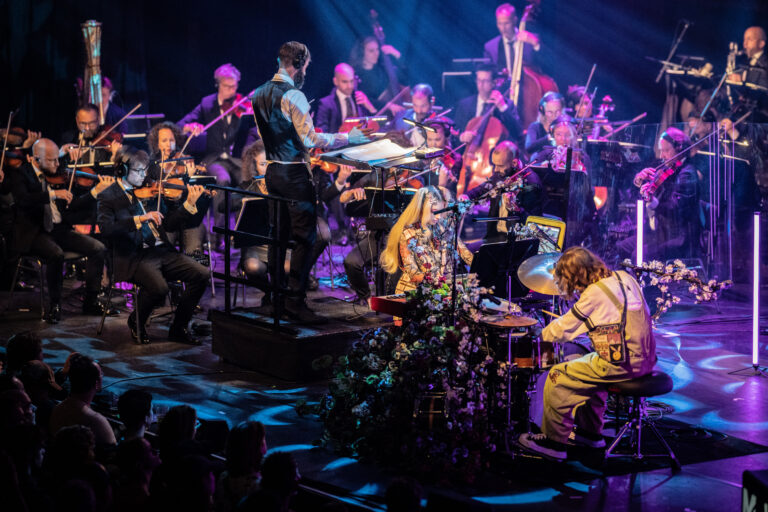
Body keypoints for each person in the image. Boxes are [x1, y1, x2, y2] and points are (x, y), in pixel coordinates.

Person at [250, 41, 369, 324]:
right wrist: (347, 138)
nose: (306, 71)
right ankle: (295, 302)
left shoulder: (259, 92)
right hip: (293, 173)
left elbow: (263, 132)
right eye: (306, 65)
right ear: (299, 63)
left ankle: (276, 298)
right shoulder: (294, 95)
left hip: (272, 172)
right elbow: (310, 139)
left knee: (278, 237)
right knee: (305, 237)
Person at [518, 247, 657, 461]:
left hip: (621, 366)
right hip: (646, 360)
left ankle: (553, 443)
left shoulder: (594, 293)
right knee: (585, 367)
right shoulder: (624, 278)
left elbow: (563, 329)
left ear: (574, 276)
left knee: (558, 376)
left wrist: (539, 333)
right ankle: (589, 434)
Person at [96, 148, 209, 344]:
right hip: (132, 256)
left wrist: (189, 204)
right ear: (122, 170)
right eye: (138, 171)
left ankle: (179, 327)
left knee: (202, 274)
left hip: (160, 251)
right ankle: (135, 320)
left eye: (145, 171)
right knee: (159, 288)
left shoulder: (151, 191)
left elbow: (169, 224)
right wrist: (140, 218)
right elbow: (107, 229)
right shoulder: (108, 196)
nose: (144, 176)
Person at [7, 138, 116, 322]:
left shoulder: (60, 175)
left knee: (98, 248)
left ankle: (91, 301)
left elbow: (73, 206)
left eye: (58, 159)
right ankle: (55, 305)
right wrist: (52, 193)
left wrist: (96, 191)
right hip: (35, 233)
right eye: (52, 160)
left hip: (58, 229)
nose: (58, 164)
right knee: (56, 254)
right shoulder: (20, 174)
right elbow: (23, 200)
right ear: (35, 159)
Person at [179, 63, 244, 232]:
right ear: (218, 85)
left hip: (236, 159)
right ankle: (220, 233)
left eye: (234, 85)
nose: (232, 90)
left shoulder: (242, 105)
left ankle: (243, 231)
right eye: (227, 86)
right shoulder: (207, 104)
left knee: (250, 179)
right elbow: (181, 124)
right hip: (213, 159)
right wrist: (189, 126)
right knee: (222, 180)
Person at [624, 127, 701, 261]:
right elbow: (640, 198)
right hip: (658, 232)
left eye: (666, 150)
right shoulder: (665, 168)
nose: (661, 156)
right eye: (661, 150)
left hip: (677, 236)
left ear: (680, 149)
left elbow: (676, 209)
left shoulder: (687, 174)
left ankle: (644, 281)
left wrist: (653, 203)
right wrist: (639, 182)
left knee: (639, 255)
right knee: (621, 247)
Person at [380, 186, 473, 294]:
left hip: (441, 289)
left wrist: (481, 266)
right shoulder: (408, 234)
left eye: (439, 211)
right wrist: (439, 281)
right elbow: (413, 272)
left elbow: (464, 253)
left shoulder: (442, 227)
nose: (438, 217)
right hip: (414, 291)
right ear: (422, 209)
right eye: (434, 212)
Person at [146, 121, 210, 255]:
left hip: (188, 217)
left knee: (195, 250)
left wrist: (189, 177)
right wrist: (177, 172)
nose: (169, 144)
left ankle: (200, 272)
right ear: (156, 143)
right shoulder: (151, 165)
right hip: (165, 220)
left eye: (171, 140)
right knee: (165, 247)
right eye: (164, 140)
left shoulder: (183, 160)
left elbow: (194, 190)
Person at [467, 140, 542, 244]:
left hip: (516, 241)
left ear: (514, 163)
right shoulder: (501, 174)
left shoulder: (531, 183)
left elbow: (534, 220)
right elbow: (483, 189)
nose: (496, 170)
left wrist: (516, 209)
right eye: (494, 165)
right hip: (495, 236)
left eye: (500, 165)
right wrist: (466, 196)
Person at [49, 353, 117, 448]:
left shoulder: (57, 409)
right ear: (97, 383)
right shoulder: (96, 421)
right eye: (101, 374)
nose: (102, 376)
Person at [455, 64, 523, 145]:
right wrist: (461, 136)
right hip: (467, 154)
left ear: (494, 82)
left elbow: (518, 133)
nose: (481, 84)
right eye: (478, 80)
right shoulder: (465, 104)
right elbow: (454, 132)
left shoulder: (507, 105)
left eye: (485, 81)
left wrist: (503, 108)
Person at [350, 36, 405, 115]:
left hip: (393, 113)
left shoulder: (383, 68)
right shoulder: (356, 74)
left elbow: (404, 78)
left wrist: (397, 54)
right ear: (362, 52)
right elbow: (364, 98)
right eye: (371, 51)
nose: (376, 53)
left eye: (377, 49)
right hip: (373, 115)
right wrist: (387, 105)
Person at [315, 62, 377, 133]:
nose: (349, 86)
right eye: (345, 82)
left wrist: (370, 107)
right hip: (339, 143)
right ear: (335, 81)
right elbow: (322, 133)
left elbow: (375, 126)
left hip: (361, 141)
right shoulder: (326, 103)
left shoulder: (359, 99)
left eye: (351, 81)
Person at [483, 2, 540, 76]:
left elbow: (548, 63)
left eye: (506, 23)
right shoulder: (490, 47)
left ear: (514, 20)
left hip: (528, 85)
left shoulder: (530, 39)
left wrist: (535, 43)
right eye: (500, 24)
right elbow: (489, 75)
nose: (503, 28)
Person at [525, 91, 564, 155]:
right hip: (539, 163)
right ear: (542, 111)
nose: (554, 116)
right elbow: (529, 148)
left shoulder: (566, 128)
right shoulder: (535, 127)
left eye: (557, 111)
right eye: (550, 112)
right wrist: (547, 138)